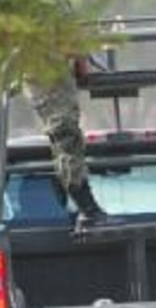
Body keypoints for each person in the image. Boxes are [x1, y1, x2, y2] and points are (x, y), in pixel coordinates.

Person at [27, 58, 109, 233]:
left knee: (64, 139)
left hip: (46, 64)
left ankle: (84, 205)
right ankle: (87, 207)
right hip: (48, 65)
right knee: (66, 137)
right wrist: (81, 61)